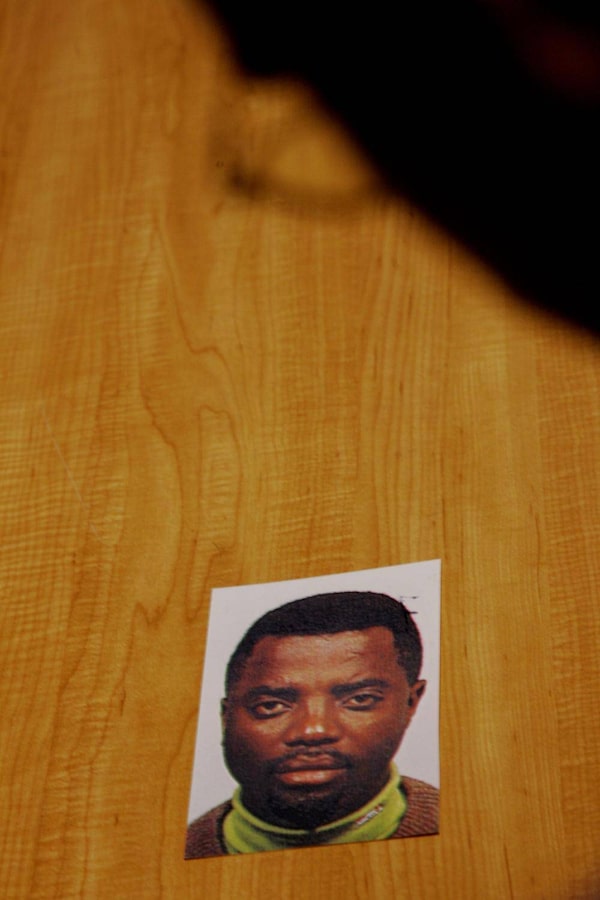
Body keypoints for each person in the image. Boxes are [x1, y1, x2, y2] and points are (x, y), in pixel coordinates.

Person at [185, 591, 439, 858]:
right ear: (225, 717)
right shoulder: (169, 858)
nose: (313, 731)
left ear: (411, 702)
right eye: (271, 706)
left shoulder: (464, 830)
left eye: (360, 699)